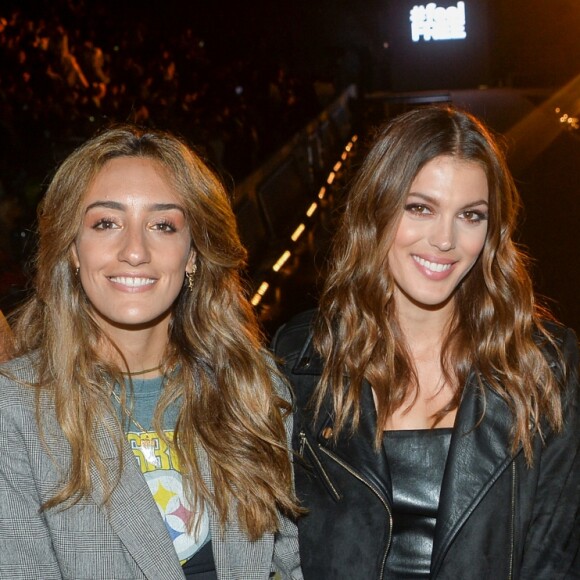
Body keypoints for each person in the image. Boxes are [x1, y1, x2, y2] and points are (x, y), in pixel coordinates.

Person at [272, 106, 579, 579]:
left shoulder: (543, 364)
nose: (444, 240)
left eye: (471, 216)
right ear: (378, 208)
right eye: (420, 208)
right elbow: (277, 543)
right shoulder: (302, 356)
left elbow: (554, 556)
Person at [0, 125, 303, 580]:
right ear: (72, 250)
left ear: (194, 253)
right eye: (106, 223)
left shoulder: (252, 384)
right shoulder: (16, 410)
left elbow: (291, 560)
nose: (135, 251)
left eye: (163, 225)